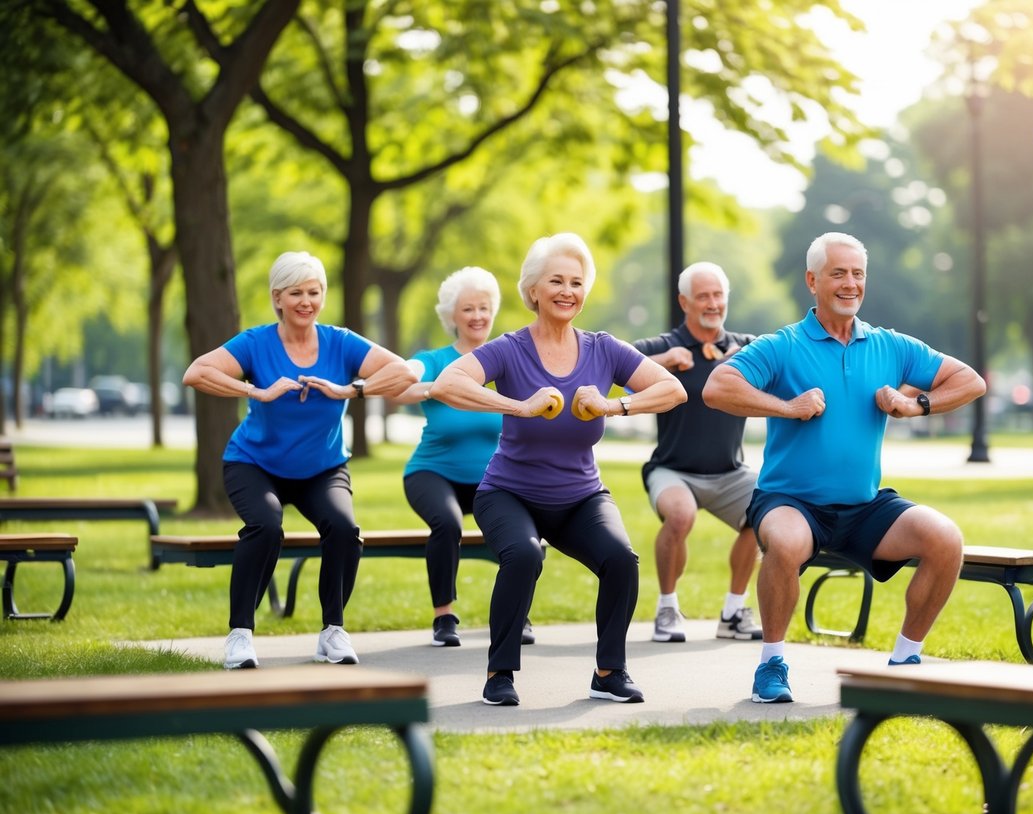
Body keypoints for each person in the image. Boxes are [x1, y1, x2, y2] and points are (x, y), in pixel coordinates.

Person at [702, 231, 986, 703]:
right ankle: (771, 663)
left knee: (945, 538)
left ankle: (904, 662)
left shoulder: (889, 345)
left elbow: (969, 381)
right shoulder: (784, 345)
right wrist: (787, 408)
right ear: (813, 281)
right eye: (838, 274)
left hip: (863, 506)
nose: (850, 284)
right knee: (787, 542)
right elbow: (717, 387)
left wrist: (914, 404)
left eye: (858, 274)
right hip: (791, 501)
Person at [430, 231, 686, 707]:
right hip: (509, 493)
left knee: (621, 561)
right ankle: (499, 674)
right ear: (534, 291)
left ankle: (609, 671)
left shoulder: (603, 349)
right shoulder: (509, 348)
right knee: (525, 555)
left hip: (580, 497)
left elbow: (673, 389)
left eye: (576, 282)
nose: (567, 291)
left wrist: (613, 407)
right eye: (556, 281)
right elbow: (447, 384)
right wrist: (520, 406)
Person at [184, 250, 416, 671]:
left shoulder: (340, 342)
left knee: (344, 529)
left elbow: (405, 373)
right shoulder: (256, 343)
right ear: (277, 297)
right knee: (266, 526)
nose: (306, 301)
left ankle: (332, 632)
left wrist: (349, 391)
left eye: (314, 292)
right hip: (254, 464)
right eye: (296, 293)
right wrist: (257, 392)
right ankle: (240, 635)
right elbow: (196, 372)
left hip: (322, 468)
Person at [390, 266, 534, 648]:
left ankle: (517, 614)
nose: (477, 316)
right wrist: (434, 386)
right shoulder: (435, 360)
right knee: (447, 523)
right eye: (468, 309)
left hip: (494, 478)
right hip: (432, 473)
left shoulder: (507, 358)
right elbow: (401, 385)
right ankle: (444, 616)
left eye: (484, 308)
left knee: (524, 529)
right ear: (452, 316)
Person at [633, 262, 762, 644]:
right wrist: (663, 363)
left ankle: (733, 611)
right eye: (703, 296)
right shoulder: (663, 346)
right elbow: (604, 370)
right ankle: (668, 607)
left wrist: (743, 364)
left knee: (768, 507)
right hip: (673, 471)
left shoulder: (746, 347)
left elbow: (791, 365)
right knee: (679, 515)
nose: (712, 303)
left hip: (730, 472)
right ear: (684, 302)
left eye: (718, 295)